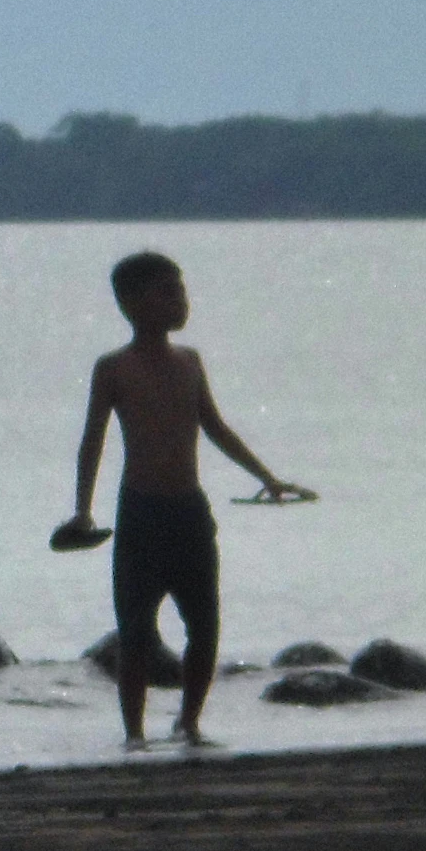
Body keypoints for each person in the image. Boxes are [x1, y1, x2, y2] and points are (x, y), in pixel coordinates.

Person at [62, 249, 303, 751]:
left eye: (181, 289)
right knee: (135, 632)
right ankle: (133, 734)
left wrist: (267, 476)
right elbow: (93, 441)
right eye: (166, 291)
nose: (179, 300)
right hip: (141, 512)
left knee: (205, 626)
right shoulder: (114, 368)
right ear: (131, 303)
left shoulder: (190, 362)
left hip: (189, 511)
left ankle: (188, 723)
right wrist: (83, 510)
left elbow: (214, 426)